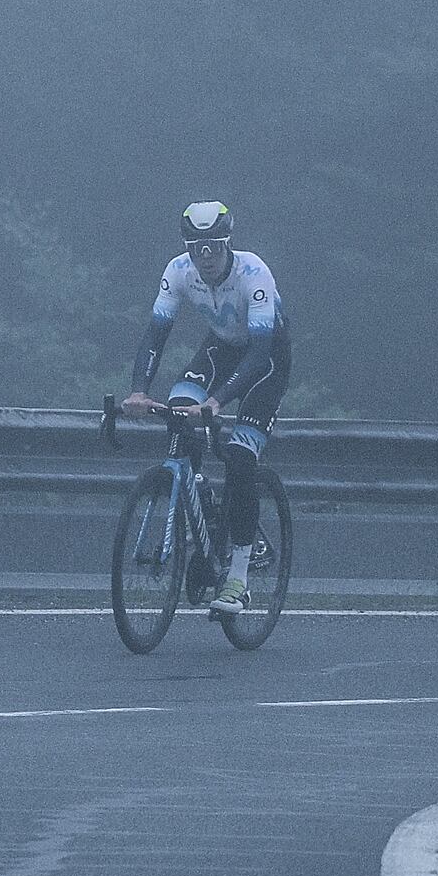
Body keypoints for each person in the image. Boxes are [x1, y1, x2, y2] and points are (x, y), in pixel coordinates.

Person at [114, 199, 290, 597]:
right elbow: (156, 335)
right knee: (178, 414)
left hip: (267, 360)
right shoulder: (178, 272)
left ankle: (238, 578)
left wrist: (217, 402)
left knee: (241, 458)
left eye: (214, 245)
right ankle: (206, 511)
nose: (205, 256)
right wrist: (139, 390)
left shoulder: (253, 272)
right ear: (187, 248)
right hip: (221, 349)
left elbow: (260, 354)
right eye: (197, 247)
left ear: (228, 243)